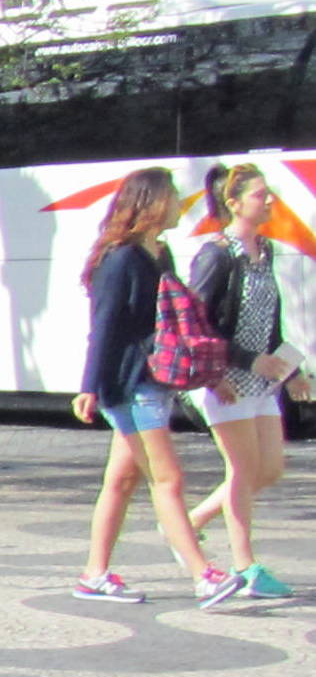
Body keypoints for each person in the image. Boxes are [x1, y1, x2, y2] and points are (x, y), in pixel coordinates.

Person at [71, 164, 242, 607]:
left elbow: (175, 324)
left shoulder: (158, 254)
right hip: (131, 384)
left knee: (121, 481)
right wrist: (90, 386)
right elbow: (103, 326)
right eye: (172, 196)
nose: (179, 203)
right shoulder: (122, 258)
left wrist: (211, 375)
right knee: (168, 479)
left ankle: (94, 574)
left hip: (153, 381)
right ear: (150, 204)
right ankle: (204, 575)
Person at [185, 160, 309, 599]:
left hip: (261, 383)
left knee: (268, 469)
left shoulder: (266, 251)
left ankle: (188, 522)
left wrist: (289, 368)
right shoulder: (216, 254)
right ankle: (245, 567)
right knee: (241, 470)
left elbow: (267, 322)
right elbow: (196, 323)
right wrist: (243, 360)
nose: (270, 200)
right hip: (226, 380)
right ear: (233, 203)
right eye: (261, 195)